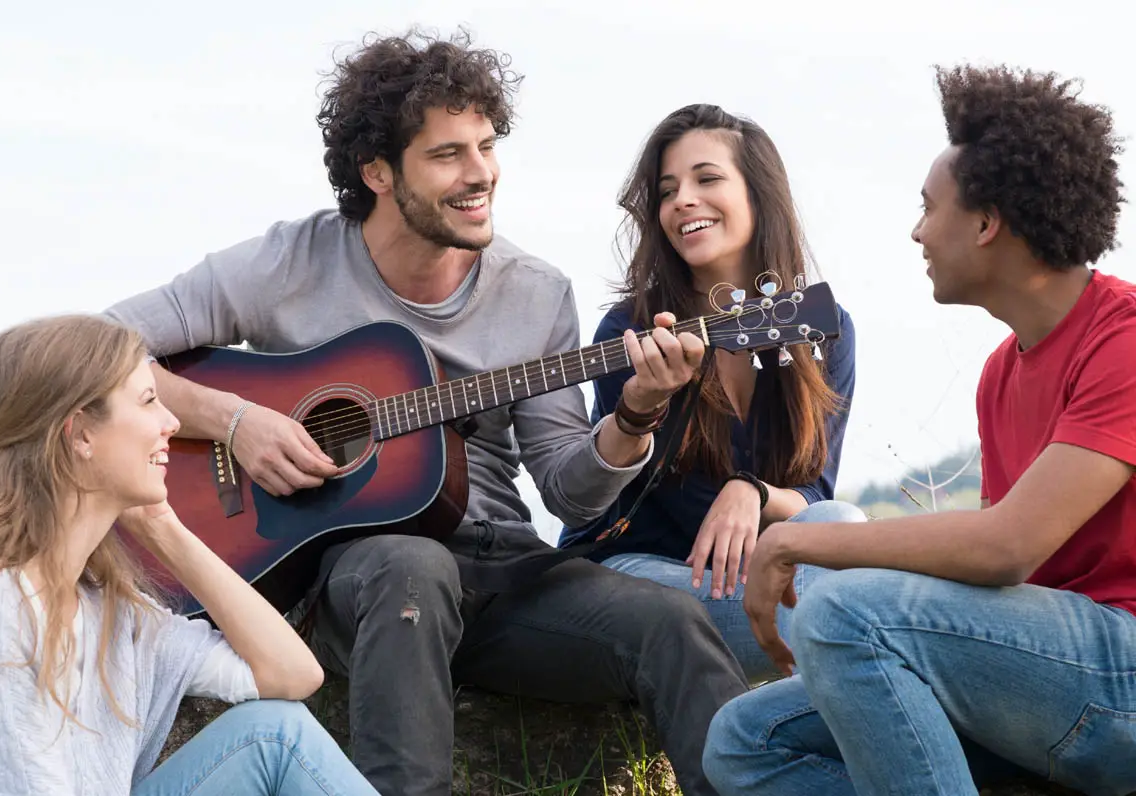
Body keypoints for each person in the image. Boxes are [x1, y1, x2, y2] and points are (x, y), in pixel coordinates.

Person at [103, 29, 750, 796]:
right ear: (378, 171)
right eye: (449, 155)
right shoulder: (291, 262)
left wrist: (636, 416)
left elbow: (568, 490)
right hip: (359, 579)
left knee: (673, 626)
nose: (482, 175)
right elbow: (92, 348)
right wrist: (236, 420)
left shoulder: (535, 291)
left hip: (505, 573)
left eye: (487, 146)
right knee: (412, 568)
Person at [702, 64, 1136, 796]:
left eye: (929, 208)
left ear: (987, 223)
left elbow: (1006, 548)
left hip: (1119, 676)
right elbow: (1005, 566)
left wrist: (806, 538)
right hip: (1052, 676)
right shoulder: (1003, 371)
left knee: (845, 610)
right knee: (746, 741)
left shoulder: (1123, 341)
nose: (916, 232)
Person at [0, 315, 378, 795]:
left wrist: (164, 529)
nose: (171, 423)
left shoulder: (107, 609)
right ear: (80, 433)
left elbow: (292, 674)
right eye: (149, 401)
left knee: (275, 735)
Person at [559, 104, 864, 683]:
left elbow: (814, 493)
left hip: (756, 570)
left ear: (758, 194)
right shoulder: (631, 333)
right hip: (640, 571)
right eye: (668, 190)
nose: (683, 201)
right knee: (842, 620)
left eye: (707, 178)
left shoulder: (825, 328)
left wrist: (750, 490)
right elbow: (631, 501)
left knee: (841, 520)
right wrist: (643, 405)